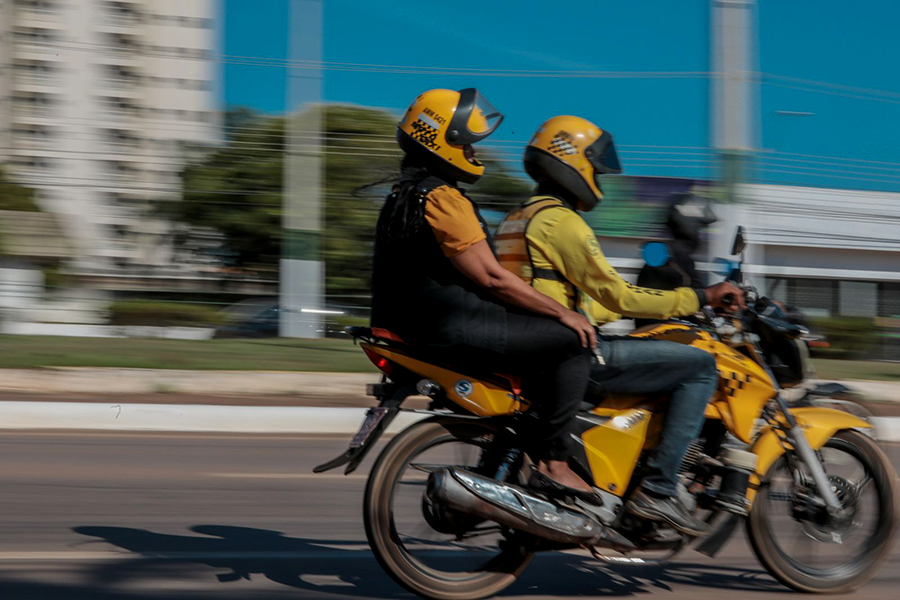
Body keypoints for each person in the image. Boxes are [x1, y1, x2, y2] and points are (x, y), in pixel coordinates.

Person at [496, 115, 745, 535]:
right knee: (699, 366)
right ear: (571, 162)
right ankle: (661, 490)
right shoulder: (562, 223)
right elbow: (618, 295)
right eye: (594, 168)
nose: (599, 178)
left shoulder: (517, 216)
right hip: (566, 350)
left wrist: (625, 310)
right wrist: (704, 297)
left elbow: (570, 297)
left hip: (531, 342)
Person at [370, 89, 601, 501]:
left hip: (413, 323)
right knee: (571, 343)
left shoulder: (400, 196)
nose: (475, 150)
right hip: (454, 325)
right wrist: (565, 314)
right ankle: (553, 460)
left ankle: (522, 443)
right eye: (468, 141)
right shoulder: (443, 198)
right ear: (443, 142)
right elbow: (493, 279)